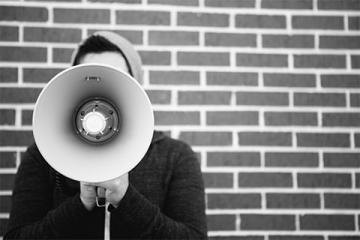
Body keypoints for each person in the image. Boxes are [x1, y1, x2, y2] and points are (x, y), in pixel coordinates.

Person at [4, 31, 208, 239]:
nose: (102, 88)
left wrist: (126, 200)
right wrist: (82, 204)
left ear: (135, 86)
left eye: (115, 77)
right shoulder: (43, 154)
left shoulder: (175, 156)